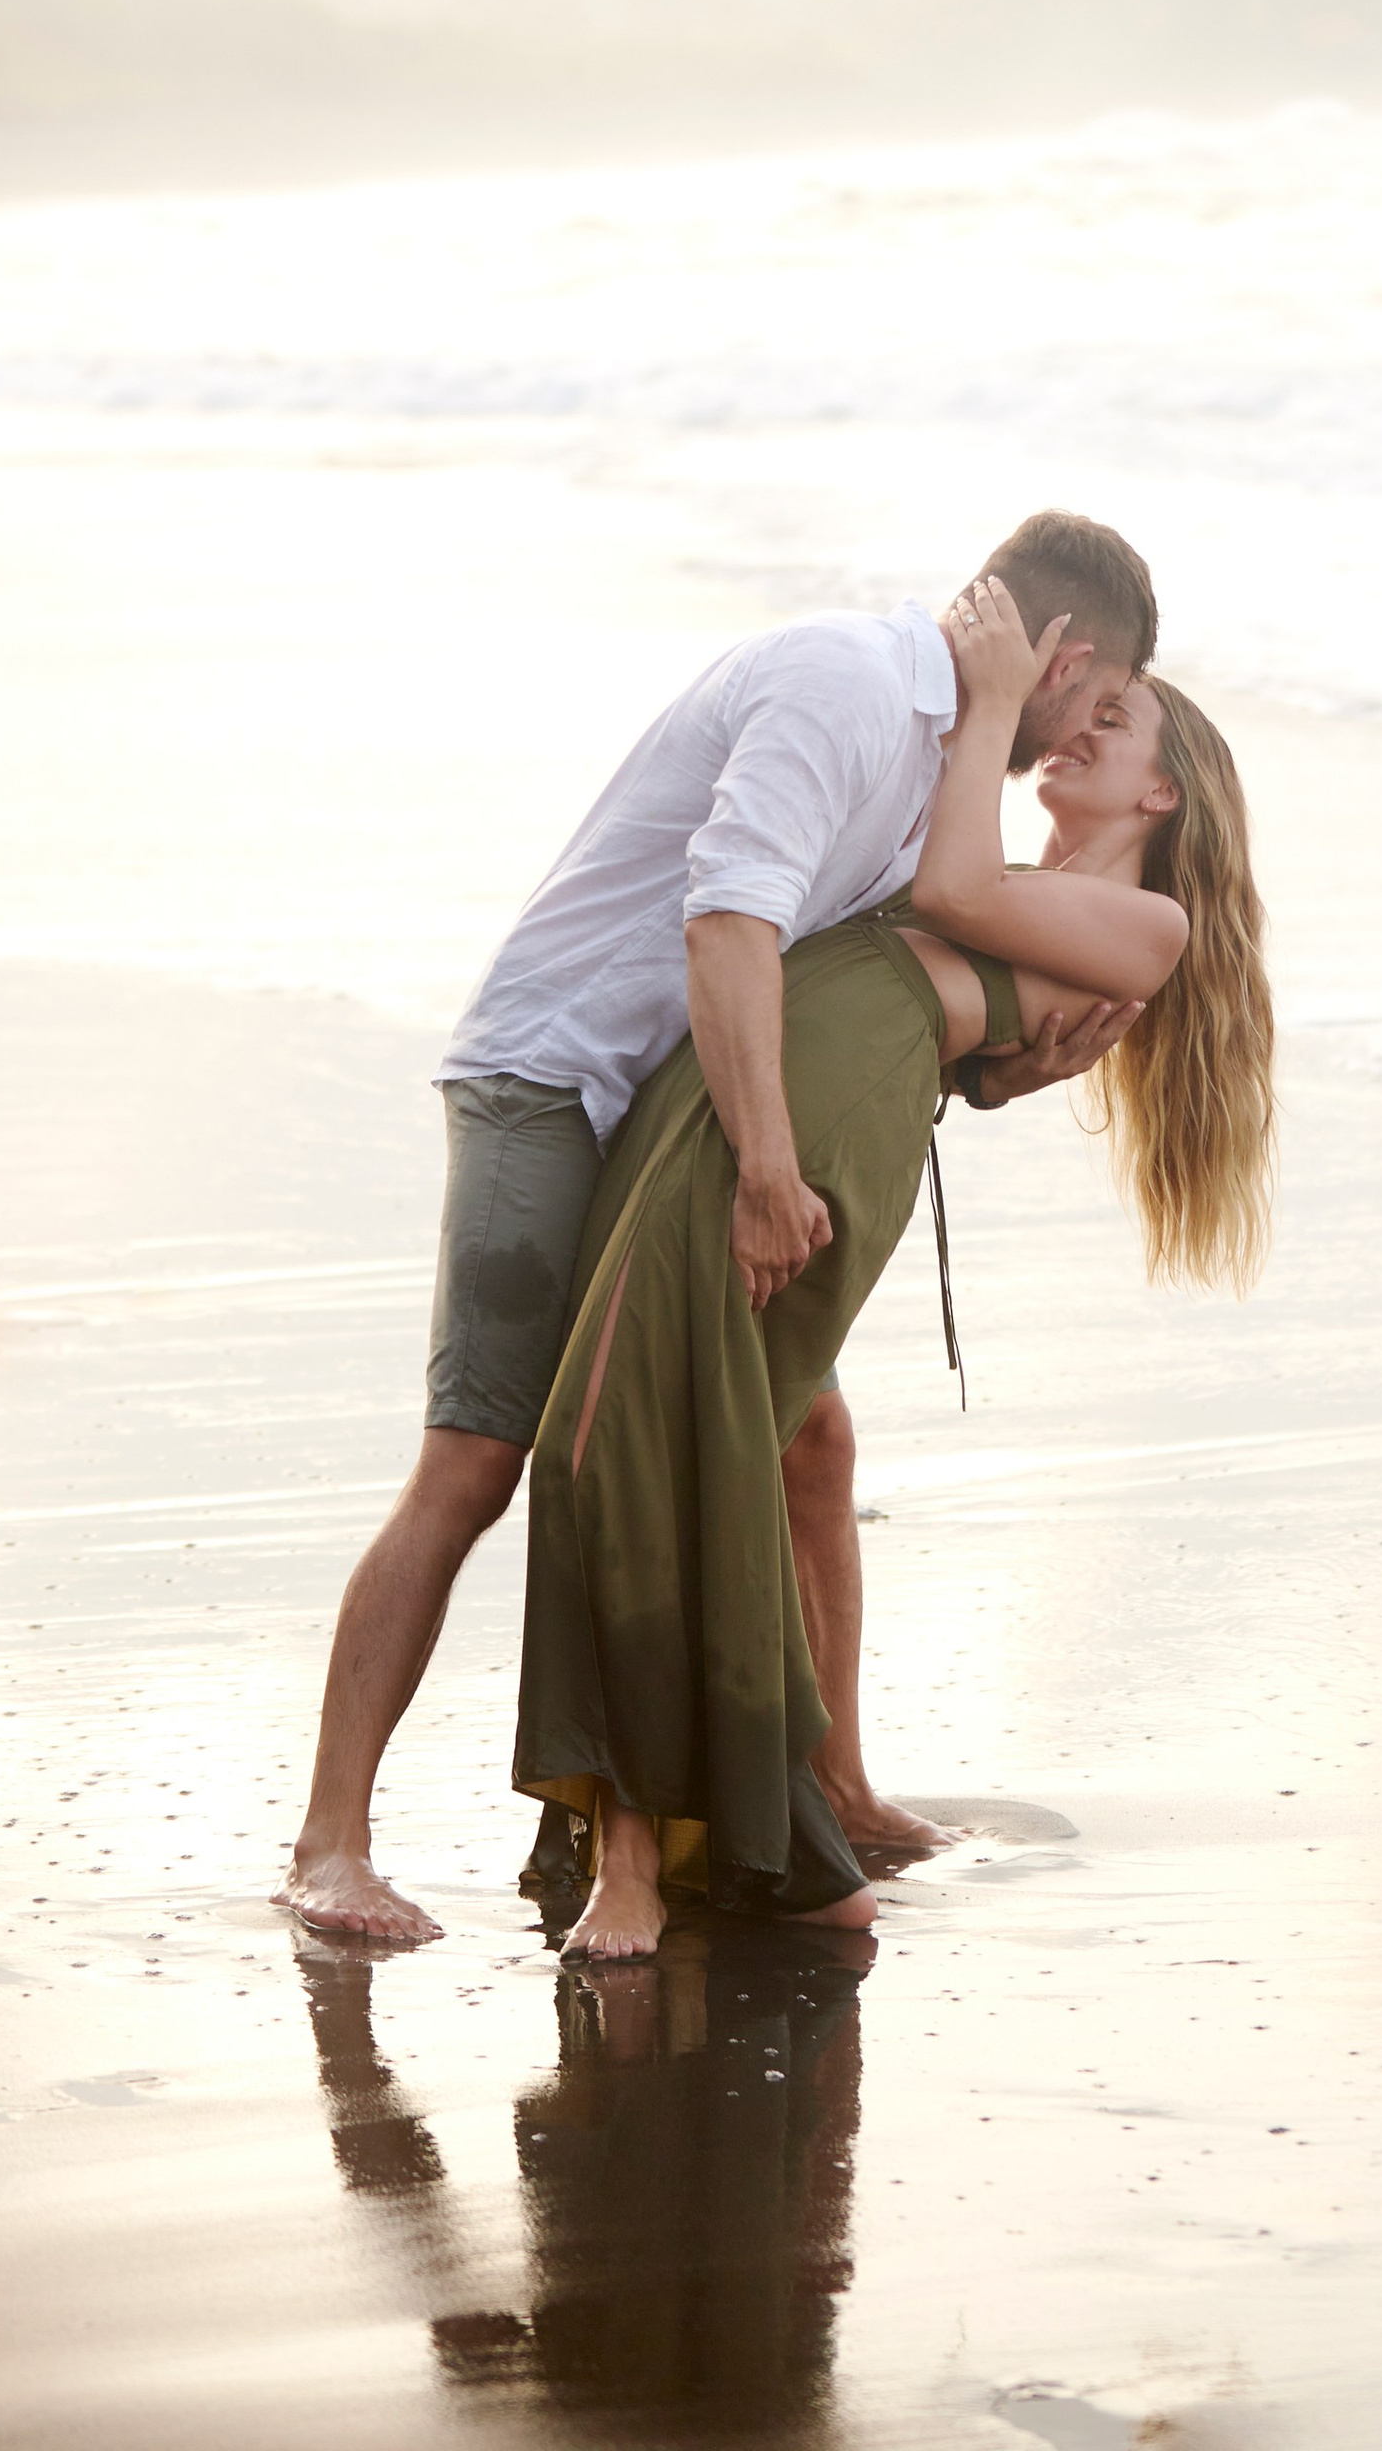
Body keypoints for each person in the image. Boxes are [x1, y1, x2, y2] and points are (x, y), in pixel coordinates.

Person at [277, 513, 1162, 1944]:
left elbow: (868, 993)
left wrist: (1010, 1077)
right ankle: (330, 1843)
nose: (1080, 734)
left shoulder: (935, 767)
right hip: (558, 1078)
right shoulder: (847, 689)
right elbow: (731, 924)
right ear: (1062, 659)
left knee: (811, 1434)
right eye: (1099, 700)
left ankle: (838, 1785)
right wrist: (766, 1170)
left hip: (667, 1115)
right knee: (479, 1457)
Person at [517, 571, 1277, 1959]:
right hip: (739, 1097)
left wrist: (992, 704)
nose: (1085, 729)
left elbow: (944, 895)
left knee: (630, 1439)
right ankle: (786, 1804)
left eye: (1118, 722)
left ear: (1163, 800)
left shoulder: (1145, 930)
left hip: (800, 1133)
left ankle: (685, 1851)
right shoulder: (1037, 888)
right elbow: (948, 965)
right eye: (1087, 706)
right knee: (686, 1432)